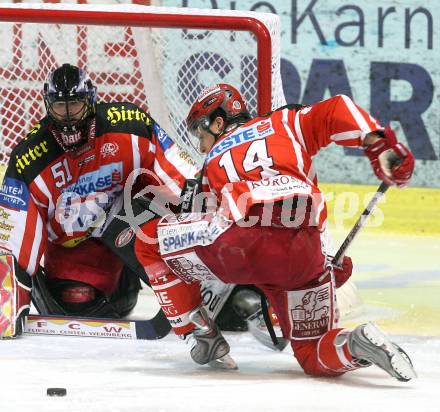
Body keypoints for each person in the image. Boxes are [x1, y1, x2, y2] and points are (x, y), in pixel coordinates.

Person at [134, 84, 417, 380]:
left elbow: (211, 246)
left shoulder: (210, 165)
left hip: (239, 243)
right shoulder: (286, 122)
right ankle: (355, 345)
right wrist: (377, 143)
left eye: (201, 135)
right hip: (303, 253)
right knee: (312, 354)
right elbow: (337, 108)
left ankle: (199, 334)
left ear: (219, 123)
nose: (203, 146)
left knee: (149, 239)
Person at [0, 63, 198, 338]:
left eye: (76, 105)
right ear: (48, 105)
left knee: (143, 213)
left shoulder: (131, 124)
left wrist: (204, 228)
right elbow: (14, 239)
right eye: (60, 107)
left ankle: (199, 289)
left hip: (130, 244)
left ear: (91, 101)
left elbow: (181, 177)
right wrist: (7, 304)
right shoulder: (29, 158)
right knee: (77, 300)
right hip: (75, 254)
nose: (68, 117)